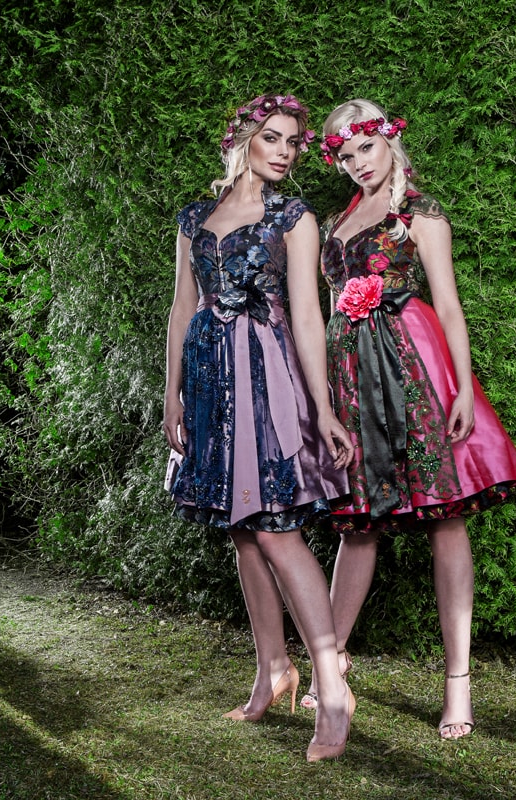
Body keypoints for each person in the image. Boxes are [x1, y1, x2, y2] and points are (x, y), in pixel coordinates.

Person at [306, 99, 516, 740]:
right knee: (358, 523)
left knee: (445, 519)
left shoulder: (420, 213)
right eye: (345, 155)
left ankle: (458, 683)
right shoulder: (335, 222)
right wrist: (327, 398)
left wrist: (463, 390)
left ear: (389, 142)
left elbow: (449, 306)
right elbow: (329, 313)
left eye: (365, 148)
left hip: (414, 368)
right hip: (354, 377)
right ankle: (331, 662)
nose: (357, 163)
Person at [163, 94, 356, 761]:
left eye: (293, 141)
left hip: (268, 381)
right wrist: (171, 395)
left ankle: (331, 686)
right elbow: (182, 308)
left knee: (276, 529)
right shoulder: (194, 218)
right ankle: (273, 669)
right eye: (273, 137)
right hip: (210, 383)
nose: (284, 150)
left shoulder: (294, 217)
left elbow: (307, 317)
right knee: (243, 531)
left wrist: (323, 408)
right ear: (243, 138)